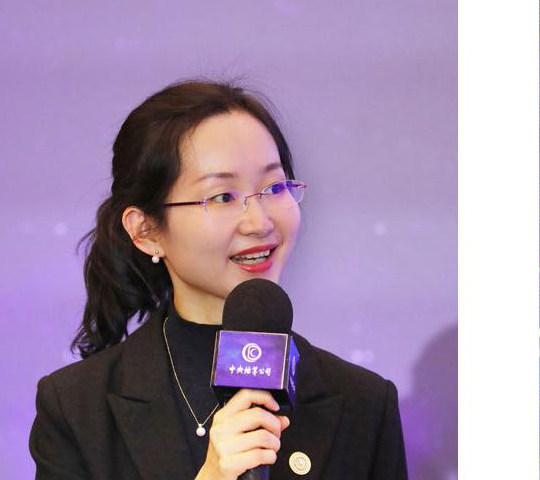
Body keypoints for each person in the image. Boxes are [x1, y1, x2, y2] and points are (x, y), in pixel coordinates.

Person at [29, 81, 408, 479]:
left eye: (274, 187)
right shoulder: (76, 408)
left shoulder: (363, 403)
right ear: (146, 230)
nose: (259, 222)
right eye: (223, 197)